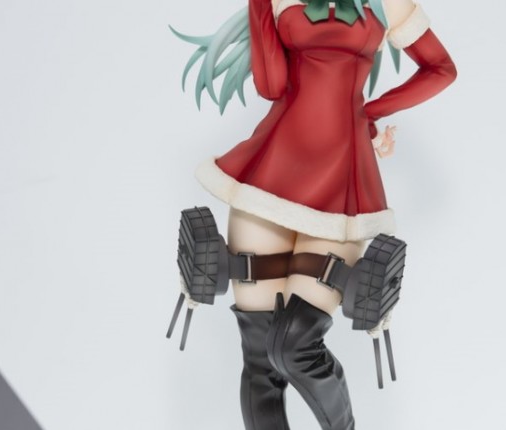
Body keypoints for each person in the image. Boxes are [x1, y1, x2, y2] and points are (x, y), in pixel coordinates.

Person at [172, 0, 456, 428]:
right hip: (271, 175)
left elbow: (441, 68)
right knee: (260, 358)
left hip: (340, 186)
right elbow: (272, 85)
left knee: (295, 347)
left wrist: (370, 113)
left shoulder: (385, 3)